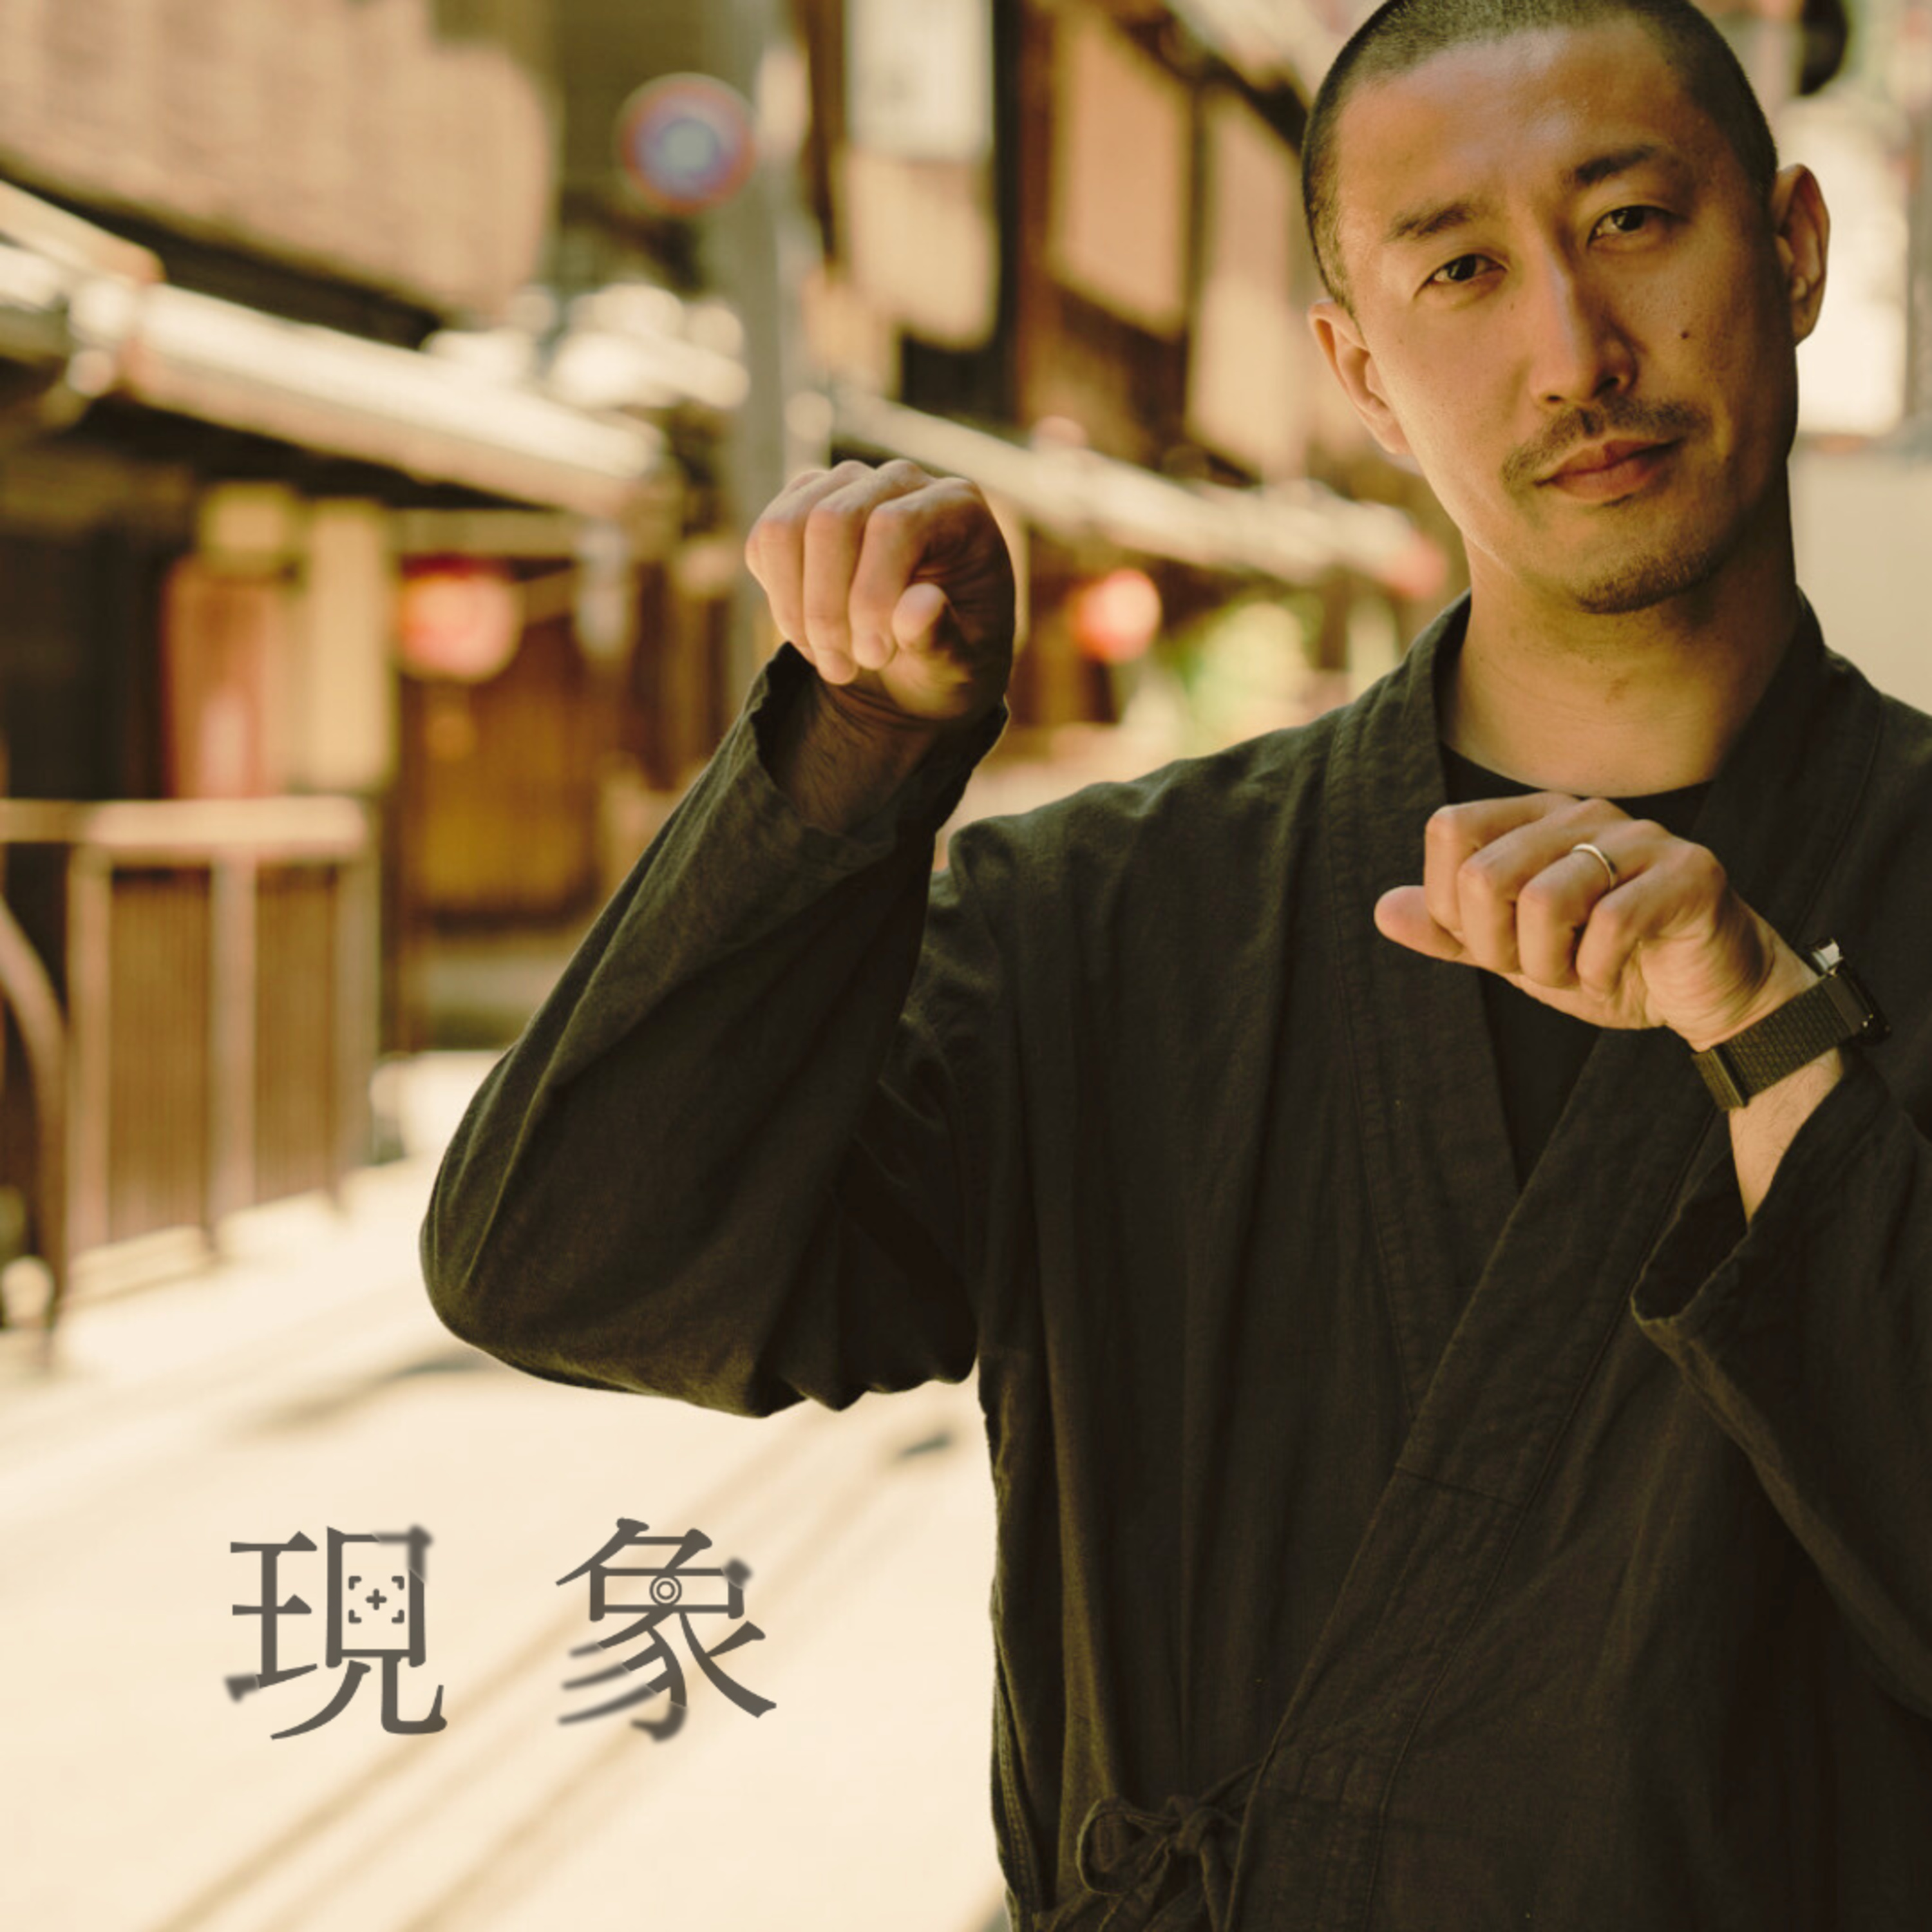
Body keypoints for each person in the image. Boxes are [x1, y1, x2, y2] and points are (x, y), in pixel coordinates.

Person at [422, 0, 1932, 1924]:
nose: (1575, 352)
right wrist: (855, 758)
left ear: (1792, 250)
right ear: (1360, 372)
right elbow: (569, 1266)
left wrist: (1775, 1046)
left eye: (1632, 223)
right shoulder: (1108, 918)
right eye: (1460, 270)